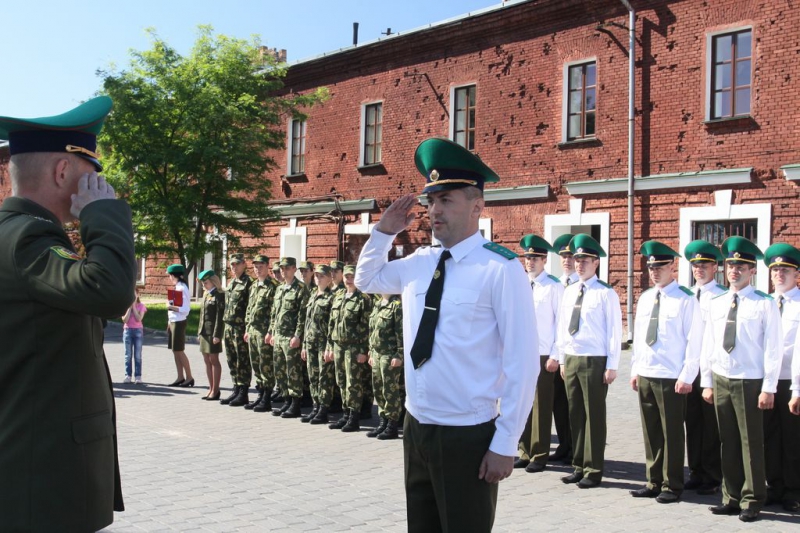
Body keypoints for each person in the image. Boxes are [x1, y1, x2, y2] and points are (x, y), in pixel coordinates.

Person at [355, 137, 538, 532]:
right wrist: (383, 233)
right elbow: (367, 280)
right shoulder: (419, 263)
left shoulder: (500, 269)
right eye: (431, 201)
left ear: (477, 206)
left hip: (467, 435)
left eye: (446, 200)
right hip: (417, 424)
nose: (434, 211)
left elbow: (523, 364)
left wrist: (505, 443)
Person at [0, 96, 135, 531]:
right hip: (41, 480)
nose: (98, 186)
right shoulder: (28, 239)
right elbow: (110, 290)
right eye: (92, 177)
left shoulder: (16, 233)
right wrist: (104, 214)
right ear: (63, 172)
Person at [701, 236, 782, 522]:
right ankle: (731, 496)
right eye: (730, 265)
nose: (734, 270)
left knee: (750, 442)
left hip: (750, 381)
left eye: (741, 266)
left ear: (752, 271)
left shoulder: (765, 303)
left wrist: (768, 387)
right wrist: (707, 382)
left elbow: (772, 349)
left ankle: (752, 499)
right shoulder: (718, 302)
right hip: (723, 377)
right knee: (728, 440)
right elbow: (708, 343)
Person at [629, 241, 702, 503]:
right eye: (651, 267)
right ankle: (653, 480)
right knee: (651, 431)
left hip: (671, 375)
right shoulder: (647, 297)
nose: (654, 271)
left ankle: (672, 484)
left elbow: (695, 340)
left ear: (673, 266)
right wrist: (635, 369)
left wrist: (687, 375)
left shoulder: (685, 298)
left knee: (671, 432)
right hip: (648, 371)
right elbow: (638, 338)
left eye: (659, 266)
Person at [555, 233, 622, 489]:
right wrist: (562, 359)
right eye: (576, 259)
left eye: (585, 260)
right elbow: (562, 327)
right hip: (572, 358)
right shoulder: (569, 291)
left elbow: (615, 331)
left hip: (595, 360)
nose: (579, 264)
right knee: (575, 414)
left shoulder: (606, 293)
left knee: (593, 415)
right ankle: (578, 464)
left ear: (596, 263)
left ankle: (593, 469)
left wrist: (612, 364)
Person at [514, 234, 564, 473]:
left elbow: (560, 324)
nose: (529, 262)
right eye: (527, 257)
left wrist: (556, 354)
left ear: (544, 260)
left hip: (544, 353)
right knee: (522, 402)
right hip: (521, 352)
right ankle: (523, 450)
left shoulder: (554, 286)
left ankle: (539, 454)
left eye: (534, 258)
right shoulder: (520, 283)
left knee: (541, 405)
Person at [683, 239, 726, 495]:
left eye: (704, 265)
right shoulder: (686, 295)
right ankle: (696, 471)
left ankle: (712, 475)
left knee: (711, 426)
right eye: (695, 265)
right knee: (693, 422)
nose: (699, 269)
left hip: (711, 367)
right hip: (690, 367)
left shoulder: (721, 295)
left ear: (715, 268)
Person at [762, 243, 800, 512]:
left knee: (792, 439)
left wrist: (797, 389)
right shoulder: (764, 302)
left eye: (784, 270)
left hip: (790, 380)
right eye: (775, 270)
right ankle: (773, 486)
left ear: (796, 273)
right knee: (769, 436)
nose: (779, 274)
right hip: (765, 381)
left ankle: (793, 491)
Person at [325, 264, 373, 432]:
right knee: (341, 381)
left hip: (354, 347)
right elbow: (332, 324)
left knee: (354, 383)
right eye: (346, 276)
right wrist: (329, 346)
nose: (349, 279)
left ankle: (354, 417)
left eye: (352, 276)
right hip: (338, 346)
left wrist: (363, 350)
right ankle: (345, 414)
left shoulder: (364, 299)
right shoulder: (338, 296)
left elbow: (367, 327)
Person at [267, 256, 309, 418]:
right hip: (278, 336)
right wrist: (271, 331)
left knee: (293, 371)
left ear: (294, 269)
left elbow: (302, 314)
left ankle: (295, 403)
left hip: (291, 337)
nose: (283, 271)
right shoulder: (280, 288)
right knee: (280, 370)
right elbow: (274, 313)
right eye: (281, 269)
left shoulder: (300, 288)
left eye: (287, 268)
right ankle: (286, 400)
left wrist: (298, 335)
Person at [549, 233, 576, 463]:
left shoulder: (581, 284)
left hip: (575, 353)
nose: (566, 260)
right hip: (557, 352)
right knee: (559, 403)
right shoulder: (556, 284)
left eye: (570, 256)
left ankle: (577, 447)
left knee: (574, 404)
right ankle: (564, 445)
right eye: (563, 256)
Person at [243, 254, 279, 412]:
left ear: (267, 266)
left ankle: (267, 397)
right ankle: (260, 394)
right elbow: (249, 309)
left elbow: (274, 312)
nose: (258, 269)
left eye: (261, 266)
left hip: (264, 332)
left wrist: (271, 331)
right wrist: (247, 328)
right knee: (256, 364)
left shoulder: (273, 286)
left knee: (266, 366)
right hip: (253, 331)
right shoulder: (254, 285)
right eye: (256, 267)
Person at [301, 264, 336, 424]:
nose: (318, 278)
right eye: (316, 276)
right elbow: (307, 322)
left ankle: (323, 409)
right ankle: (315, 406)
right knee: (313, 376)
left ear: (329, 278)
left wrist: (329, 347)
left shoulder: (332, 298)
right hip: (311, 343)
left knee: (324, 378)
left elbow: (332, 325)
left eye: (322, 276)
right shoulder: (313, 296)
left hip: (323, 344)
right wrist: (304, 346)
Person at [367, 293, 404, 440]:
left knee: (390, 390)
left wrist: (399, 355)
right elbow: (372, 330)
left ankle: (392, 425)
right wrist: (370, 351)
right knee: (378, 389)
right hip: (376, 354)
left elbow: (401, 332)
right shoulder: (378, 304)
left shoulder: (396, 305)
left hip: (390, 354)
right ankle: (383, 422)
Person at [220, 253, 253, 406]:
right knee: (231, 359)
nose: (234, 267)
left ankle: (243, 391)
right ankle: (236, 388)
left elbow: (250, 308)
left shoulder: (249, 283)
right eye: (232, 265)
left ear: (244, 265)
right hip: (229, 326)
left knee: (242, 360)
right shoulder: (232, 283)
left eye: (237, 264)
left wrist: (247, 328)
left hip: (240, 328)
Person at [198, 269, 225, 401]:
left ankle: (216, 390)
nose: (204, 285)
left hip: (213, 333)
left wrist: (217, 335)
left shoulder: (219, 295)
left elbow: (220, 318)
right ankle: (210, 387)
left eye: (206, 282)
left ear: (214, 282)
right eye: (203, 282)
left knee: (214, 360)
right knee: (206, 360)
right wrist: (199, 332)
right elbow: (202, 316)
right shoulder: (206, 294)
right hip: (204, 332)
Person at [166, 263, 193, 387]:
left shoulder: (182, 288)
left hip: (179, 322)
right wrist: (169, 321)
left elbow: (185, 309)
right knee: (175, 351)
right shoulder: (178, 287)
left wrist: (170, 307)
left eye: (170, 275)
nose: (169, 278)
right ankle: (180, 377)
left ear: (173, 275)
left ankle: (189, 377)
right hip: (173, 322)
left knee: (179, 351)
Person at [122, 288, 147, 384]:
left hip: (138, 331)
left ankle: (138, 376)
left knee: (137, 355)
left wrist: (134, 306)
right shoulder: (125, 307)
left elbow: (138, 319)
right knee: (127, 355)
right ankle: (127, 375)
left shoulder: (141, 306)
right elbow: (124, 320)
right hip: (127, 331)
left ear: (138, 295)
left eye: (134, 295)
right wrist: (129, 308)